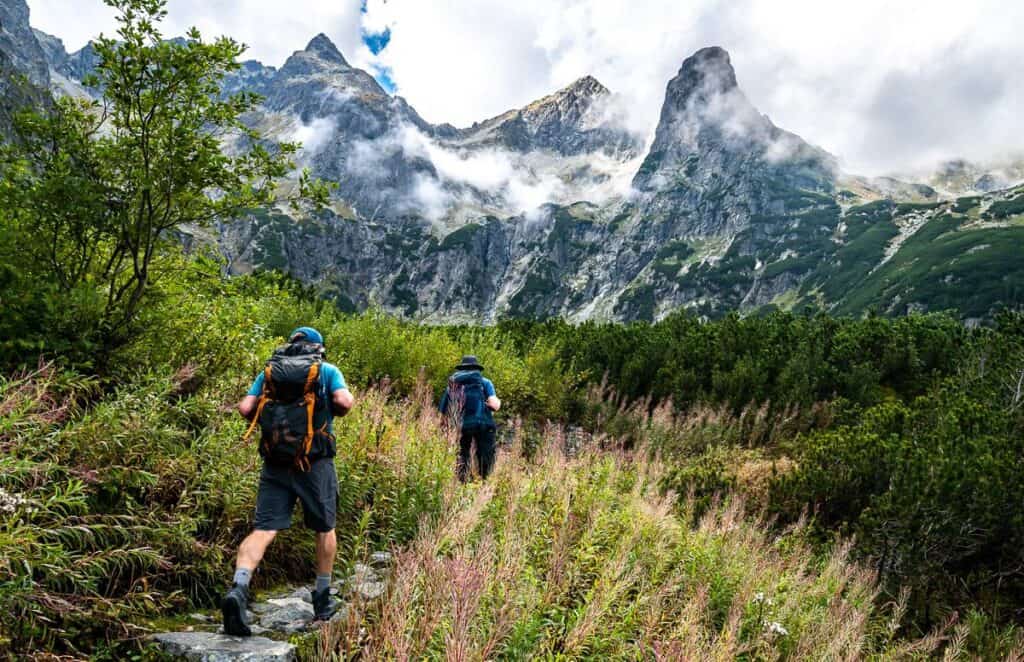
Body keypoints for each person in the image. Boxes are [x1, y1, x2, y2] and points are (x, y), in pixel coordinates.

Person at [221, 327, 355, 636]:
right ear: (317, 347)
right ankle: (322, 599)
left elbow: (245, 408)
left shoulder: (269, 372)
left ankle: (239, 589)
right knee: (324, 527)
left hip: (275, 462)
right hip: (315, 463)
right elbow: (345, 402)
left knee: (264, 528)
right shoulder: (326, 370)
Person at [439, 355, 501, 482]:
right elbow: (495, 405)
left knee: (462, 455)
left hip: (461, 425)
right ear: (477, 368)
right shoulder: (485, 382)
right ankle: (484, 482)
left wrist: (444, 429)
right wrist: (489, 404)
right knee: (486, 455)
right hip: (483, 424)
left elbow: (443, 413)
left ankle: (462, 482)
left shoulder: (452, 386)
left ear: (461, 369)